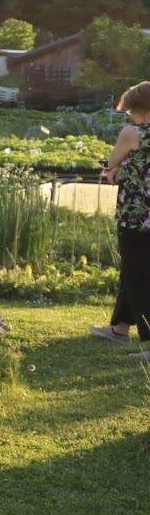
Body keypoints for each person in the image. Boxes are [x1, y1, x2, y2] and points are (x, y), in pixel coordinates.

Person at [93, 81, 150, 356]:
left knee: (139, 275)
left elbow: (112, 162)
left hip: (137, 216)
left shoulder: (134, 132)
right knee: (134, 270)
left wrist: (112, 170)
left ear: (138, 108)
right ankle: (120, 329)